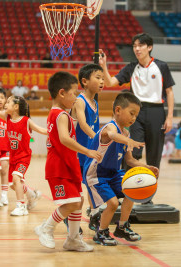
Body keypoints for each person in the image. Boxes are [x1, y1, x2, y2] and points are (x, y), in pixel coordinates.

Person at [34, 71, 102, 251]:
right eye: (74, 93)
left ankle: (73, 239)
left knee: (78, 201)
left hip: (68, 164)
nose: (77, 96)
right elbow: (64, 139)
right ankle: (46, 228)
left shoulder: (59, 113)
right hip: (59, 167)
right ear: (61, 93)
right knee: (70, 203)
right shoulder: (60, 115)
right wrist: (88, 150)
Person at [83, 92, 159, 246]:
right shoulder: (111, 127)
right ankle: (101, 233)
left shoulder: (126, 132)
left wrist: (146, 167)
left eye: (136, 115)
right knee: (112, 203)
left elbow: (129, 160)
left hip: (113, 173)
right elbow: (111, 135)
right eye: (131, 113)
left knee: (131, 191)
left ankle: (122, 227)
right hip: (96, 174)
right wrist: (128, 140)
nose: (133, 118)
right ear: (118, 110)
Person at [99, 33, 175, 178]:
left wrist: (170, 117)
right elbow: (110, 82)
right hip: (135, 112)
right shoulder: (131, 68)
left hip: (156, 111)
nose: (137, 49)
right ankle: (125, 188)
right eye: (134, 46)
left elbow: (169, 92)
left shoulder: (161, 66)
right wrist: (104, 66)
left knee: (154, 153)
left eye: (140, 45)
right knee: (132, 150)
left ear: (150, 47)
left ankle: (148, 197)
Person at [70, 64, 103, 231]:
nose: (102, 81)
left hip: (90, 151)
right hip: (78, 151)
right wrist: (96, 138)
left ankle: (94, 215)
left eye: (103, 78)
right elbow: (82, 124)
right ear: (84, 81)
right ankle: (70, 218)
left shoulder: (95, 102)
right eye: (98, 77)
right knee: (77, 189)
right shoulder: (80, 101)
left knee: (92, 183)